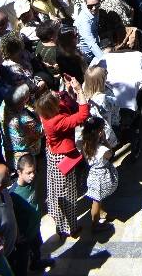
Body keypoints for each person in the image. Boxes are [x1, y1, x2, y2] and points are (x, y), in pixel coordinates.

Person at [35, 76, 89, 240]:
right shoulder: (56, 121)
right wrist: (79, 91)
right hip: (62, 158)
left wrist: (67, 89)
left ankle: (59, 223)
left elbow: (61, 99)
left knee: (54, 190)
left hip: (52, 153)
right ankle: (70, 227)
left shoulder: (44, 113)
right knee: (67, 193)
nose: (56, 94)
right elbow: (82, 115)